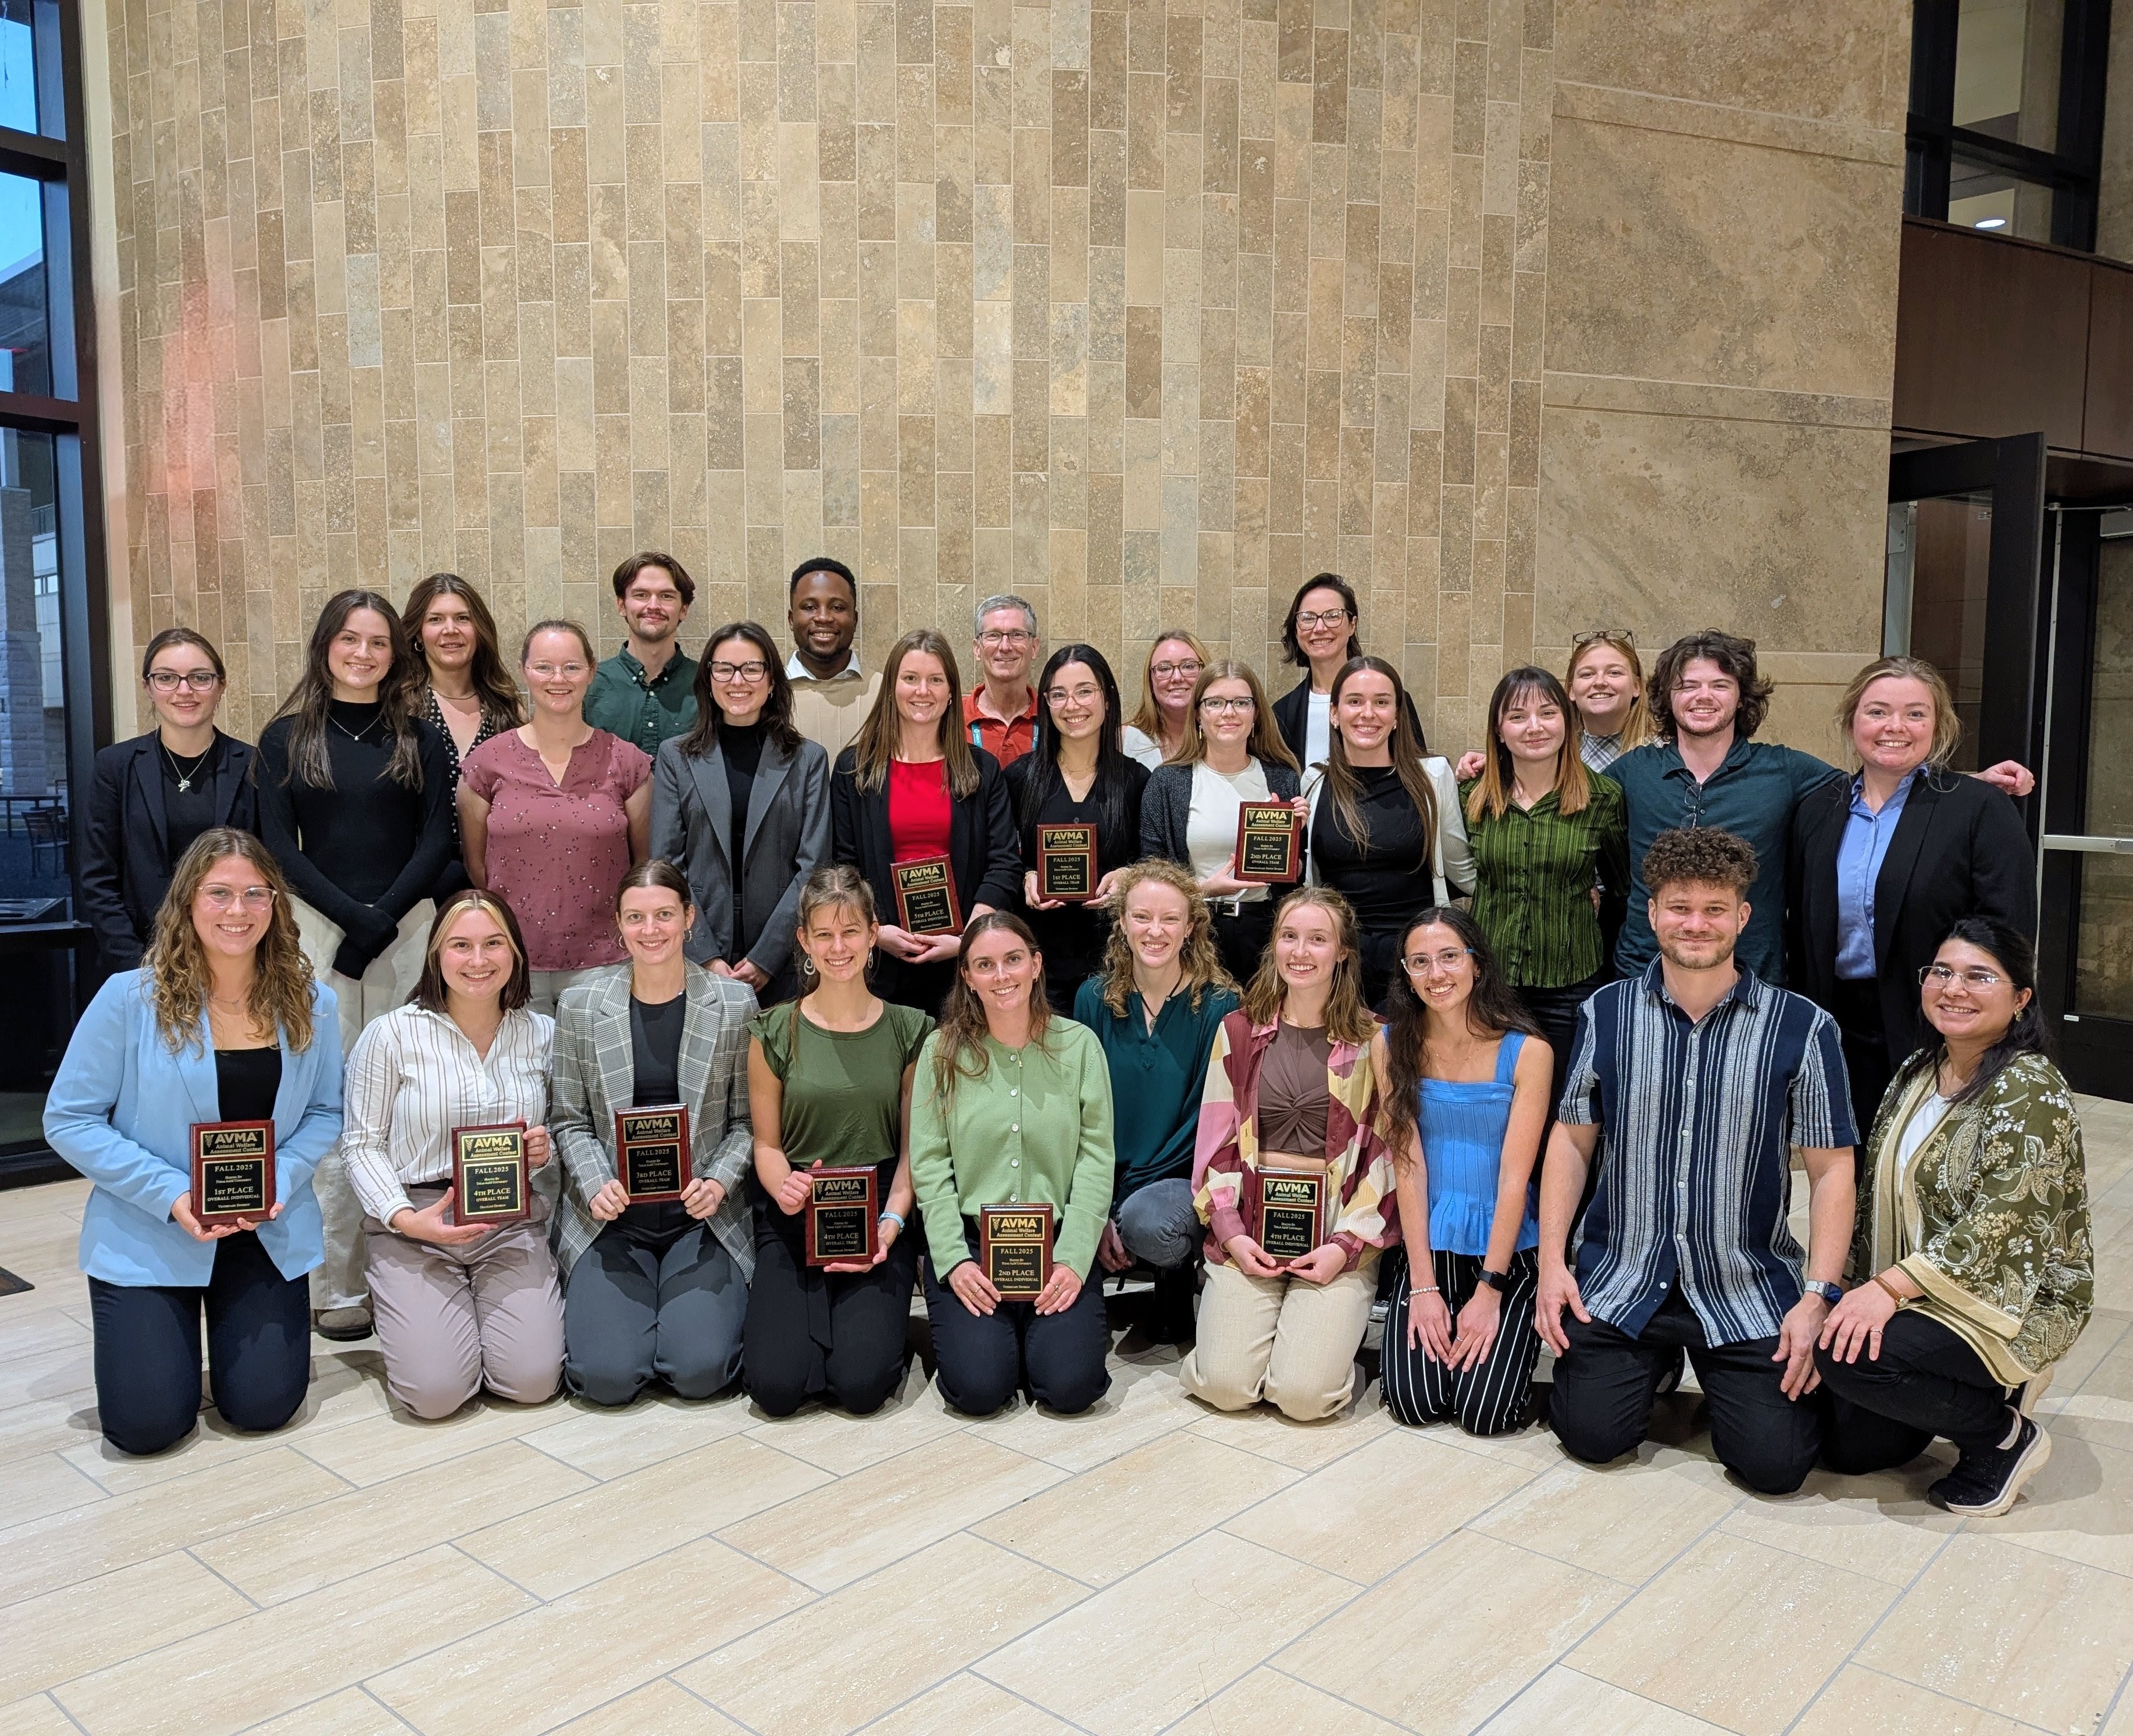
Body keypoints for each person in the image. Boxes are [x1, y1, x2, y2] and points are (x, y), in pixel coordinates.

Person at [1536, 827, 1856, 1495]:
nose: (1695, 924)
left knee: (1774, 1466)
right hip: (1622, 1279)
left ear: (1742, 917)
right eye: (1678, 906)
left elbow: (1830, 1172)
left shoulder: (1802, 1026)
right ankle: (1649, 1365)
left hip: (1742, 1282)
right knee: (1592, 1437)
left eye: (1714, 910)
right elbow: (1570, 1140)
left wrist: (1818, 1296)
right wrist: (1550, 1268)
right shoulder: (1605, 1012)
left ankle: (1719, 1369)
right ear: (1651, 913)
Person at [45, 830, 342, 1456]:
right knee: (146, 1428)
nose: (238, 911)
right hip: (153, 1228)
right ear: (187, 903)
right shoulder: (128, 1000)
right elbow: (70, 1118)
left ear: (276, 905)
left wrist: (278, 1182)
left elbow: (324, 1112)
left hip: (265, 1226)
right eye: (220, 894)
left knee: (264, 1409)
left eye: (255, 894)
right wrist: (174, 1195)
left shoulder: (316, 1003)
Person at [1817, 919, 2092, 1517]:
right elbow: (1874, 1194)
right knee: (1850, 1447)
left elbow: (2000, 1224)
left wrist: (1884, 1292)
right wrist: (1837, 1283)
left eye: (1977, 976)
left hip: (2012, 1296)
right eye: (1940, 972)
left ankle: (2000, 1435)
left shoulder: (2029, 1088)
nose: (1952, 988)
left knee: (1847, 1358)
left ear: (2020, 999)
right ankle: (1982, 1387)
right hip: (1918, 1291)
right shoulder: (1919, 1069)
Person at [1598, 630, 2031, 986]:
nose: (1703, 696)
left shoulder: (1785, 770)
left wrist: (1971, 783)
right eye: (1687, 685)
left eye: (1720, 685)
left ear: (1742, 697)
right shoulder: (1631, 773)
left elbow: (1880, 780)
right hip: (1643, 972)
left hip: (1753, 979)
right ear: (1665, 696)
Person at [256, 589, 455, 1341]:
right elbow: (279, 849)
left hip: (409, 933)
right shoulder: (284, 740)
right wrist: (351, 918)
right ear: (326, 646)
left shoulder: (421, 737)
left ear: (394, 653)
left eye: (378, 642)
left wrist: (383, 920)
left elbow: (437, 841)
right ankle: (336, 1286)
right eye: (350, 640)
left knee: (410, 1106)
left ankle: (412, 1269)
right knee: (330, 1114)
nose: (365, 653)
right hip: (317, 937)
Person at [1788, 657, 2036, 1142]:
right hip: (1838, 1024)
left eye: (1916, 714)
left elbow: (2008, 931)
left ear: (1939, 725)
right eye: (1878, 711)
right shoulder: (1819, 809)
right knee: (1849, 1164)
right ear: (1851, 720)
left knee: (1923, 1165)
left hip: (1939, 1025)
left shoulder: (1977, 808)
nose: (1895, 727)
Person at [340, 889, 564, 1419]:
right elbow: (360, 1144)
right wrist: (404, 1218)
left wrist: (544, 1146)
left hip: (508, 1222)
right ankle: (409, 1303)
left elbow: (563, 1126)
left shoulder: (543, 1034)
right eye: (461, 945)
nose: (479, 960)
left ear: (516, 953)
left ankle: (468, 1318)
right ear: (437, 955)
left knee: (531, 1382)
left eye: (494, 944)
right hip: (416, 1222)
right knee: (436, 1395)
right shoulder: (391, 1034)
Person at [1181, 886, 1396, 1423]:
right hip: (1251, 1224)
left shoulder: (1375, 1040)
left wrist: (1344, 1246)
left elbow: (1386, 1154)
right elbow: (1216, 1145)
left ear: (1343, 951)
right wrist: (1231, 1231)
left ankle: (1317, 1345)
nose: (1301, 952)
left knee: (1304, 1399)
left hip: (1337, 1231)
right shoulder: (1238, 1030)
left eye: (1318, 939)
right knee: (1227, 1387)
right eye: (1289, 936)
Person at [550, 862, 759, 1407]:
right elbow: (568, 1119)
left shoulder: (734, 1004)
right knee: (607, 1380)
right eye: (636, 917)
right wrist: (596, 1182)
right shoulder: (580, 1004)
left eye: (665, 914)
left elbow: (747, 1123)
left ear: (689, 918)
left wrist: (717, 1180)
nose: (652, 930)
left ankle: (675, 1320)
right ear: (618, 925)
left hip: (703, 1217)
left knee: (700, 1372)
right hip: (612, 1219)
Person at [910, 912, 1116, 1416]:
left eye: (1013, 960)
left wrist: (1072, 1259)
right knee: (978, 1391)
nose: (1001, 975)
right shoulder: (941, 1051)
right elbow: (930, 1163)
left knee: (1071, 1388)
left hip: (1057, 1243)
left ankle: (1035, 1342)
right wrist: (954, 1260)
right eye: (985, 964)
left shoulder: (1081, 1045)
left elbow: (1096, 1157)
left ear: (1037, 964)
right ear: (967, 976)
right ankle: (1004, 1342)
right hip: (973, 1245)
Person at [744, 867, 932, 1416]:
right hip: (796, 1208)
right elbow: (767, 1145)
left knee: (861, 1387)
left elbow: (910, 1154)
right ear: (803, 939)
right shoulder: (773, 1030)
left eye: (851, 931)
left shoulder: (909, 1029)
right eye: (824, 934)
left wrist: (891, 1225)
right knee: (775, 1390)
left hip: (875, 1212)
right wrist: (784, 1187)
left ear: (875, 933)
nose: (838, 946)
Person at [1375, 908, 1551, 1435]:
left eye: (1450, 956)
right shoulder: (1389, 1045)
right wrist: (1423, 1286)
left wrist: (1489, 1291)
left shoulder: (1528, 1052)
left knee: (1485, 1415)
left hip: (1506, 1255)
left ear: (1477, 964)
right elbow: (1407, 1168)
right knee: (1415, 1404)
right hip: (1430, 1249)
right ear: (1406, 973)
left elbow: (1514, 1180)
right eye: (1421, 962)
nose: (1437, 974)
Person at [1073, 860, 1239, 1344]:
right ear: (1122, 922)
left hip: (1178, 1177)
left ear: (1191, 926)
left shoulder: (1221, 1006)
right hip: (1105, 1171)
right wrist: (1097, 1205)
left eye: (1170, 919)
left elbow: (1211, 1122)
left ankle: (1176, 1273)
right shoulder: (1092, 999)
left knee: (1148, 1222)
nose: (1155, 930)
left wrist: (1126, 1205)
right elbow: (1082, 1111)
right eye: (1142, 916)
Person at [459, 621, 652, 1017]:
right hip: (510, 960)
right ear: (524, 670)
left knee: (601, 1079)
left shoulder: (627, 762)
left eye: (571, 667)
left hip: (604, 961)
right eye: (544, 667)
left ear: (592, 671)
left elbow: (643, 864)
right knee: (519, 1077)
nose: (558, 678)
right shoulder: (487, 763)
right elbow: (478, 866)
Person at [1461, 665, 1628, 1111]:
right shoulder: (1473, 798)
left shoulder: (1604, 798)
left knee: (1563, 1109)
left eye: (1547, 712)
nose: (1534, 727)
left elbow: (1621, 886)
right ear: (1499, 730)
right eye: (1517, 716)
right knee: (1493, 1106)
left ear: (1568, 722)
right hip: (1488, 984)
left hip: (1570, 983)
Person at [830, 629, 1020, 1013]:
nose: (923, 691)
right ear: (892, 688)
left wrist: (969, 939)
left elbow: (1004, 864)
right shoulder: (854, 770)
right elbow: (842, 864)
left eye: (936, 680)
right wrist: (874, 931)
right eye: (911, 679)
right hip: (880, 962)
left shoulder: (982, 771)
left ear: (952, 692)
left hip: (963, 966)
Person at [654, 621, 831, 1008]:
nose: (738, 680)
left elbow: (814, 866)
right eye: (724, 668)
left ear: (772, 681)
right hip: (697, 944)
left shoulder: (808, 759)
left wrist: (768, 955)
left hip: (784, 950)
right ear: (708, 679)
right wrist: (705, 954)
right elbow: (668, 864)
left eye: (752, 668)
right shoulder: (675, 756)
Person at [83, 629, 259, 974]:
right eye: (166, 678)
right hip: (138, 961)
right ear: (148, 687)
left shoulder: (255, 765)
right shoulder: (115, 766)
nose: (184, 690)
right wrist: (135, 968)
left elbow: (267, 874)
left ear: (221, 686)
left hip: (234, 960)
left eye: (200, 678)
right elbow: (98, 879)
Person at [1307, 656, 1473, 1009]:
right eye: (1355, 701)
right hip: (1338, 959)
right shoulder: (1315, 782)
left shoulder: (1433, 776)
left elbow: (1461, 869)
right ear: (1334, 714)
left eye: (1382, 702)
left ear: (1397, 716)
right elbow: (1308, 882)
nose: (1368, 713)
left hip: (1416, 960)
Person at [1141, 660, 1306, 988]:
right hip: (1193, 932)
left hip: (1263, 934)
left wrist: (1294, 840)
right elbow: (1149, 873)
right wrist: (1202, 891)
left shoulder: (1283, 779)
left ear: (1256, 713)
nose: (1228, 712)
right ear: (1198, 715)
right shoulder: (1167, 782)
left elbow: (1295, 879)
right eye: (1215, 703)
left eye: (1241, 702)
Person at [1007, 644, 1150, 1013]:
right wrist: (1024, 877)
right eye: (1059, 695)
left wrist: (1129, 876)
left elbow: (1154, 862)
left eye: (1085, 691)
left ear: (1108, 698)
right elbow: (1000, 860)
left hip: (1116, 966)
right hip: (1037, 966)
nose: (1073, 706)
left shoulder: (1137, 780)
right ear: (1046, 705)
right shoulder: (1019, 778)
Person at [404, 572, 525, 895]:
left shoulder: (508, 709)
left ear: (479, 631)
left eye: (462, 618)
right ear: (418, 633)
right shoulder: (399, 709)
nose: (450, 630)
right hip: (416, 881)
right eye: (435, 619)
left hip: (497, 876)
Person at [1270, 573, 1425, 776]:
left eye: (1332, 616)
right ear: (1296, 630)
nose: (1319, 628)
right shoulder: (1282, 714)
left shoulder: (1392, 701)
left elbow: (1418, 776)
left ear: (1352, 624)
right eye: (1308, 618)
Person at [584, 552, 700, 755]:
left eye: (666, 596)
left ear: (684, 609)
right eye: (641, 595)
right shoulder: (589, 685)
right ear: (622, 606)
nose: (653, 606)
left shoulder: (708, 684)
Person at [785, 556, 883, 762]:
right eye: (810, 607)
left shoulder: (884, 692)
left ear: (854, 620)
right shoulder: (767, 693)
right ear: (791, 620)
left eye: (837, 607)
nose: (823, 617)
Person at [963, 594, 1042, 766]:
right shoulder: (951, 720)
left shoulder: (1054, 718)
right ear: (977, 649)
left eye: (1017, 635)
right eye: (993, 635)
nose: (1005, 646)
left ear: (1034, 648)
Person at [1564, 631, 1655, 773]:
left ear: (1637, 687)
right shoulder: (1558, 759)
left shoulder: (1663, 754)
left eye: (1614, 673)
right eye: (1587, 674)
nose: (1600, 682)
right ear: (1572, 690)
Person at [1121, 628, 1208, 769]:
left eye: (1188, 666)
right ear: (1150, 681)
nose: (1177, 678)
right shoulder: (1124, 741)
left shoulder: (1222, 739)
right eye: (1164, 669)